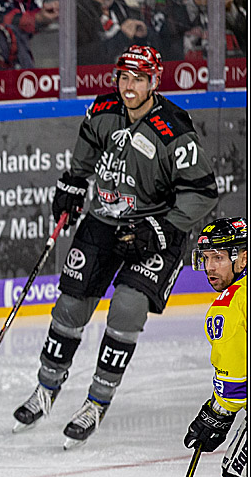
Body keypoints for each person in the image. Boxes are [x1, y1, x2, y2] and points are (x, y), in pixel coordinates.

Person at [12, 45, 219, 449]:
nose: (129, 87)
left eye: (138, 79)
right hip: (104, 221)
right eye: (124, 78)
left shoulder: (174, 129)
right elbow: (85, 156)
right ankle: (46, 388)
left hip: (155, 228)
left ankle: (96, 402)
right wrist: (72, 185)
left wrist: (160, 228)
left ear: (154, 82)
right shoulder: (103, 109)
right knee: (71, 305)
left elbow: (202, 192)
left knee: (127, 306)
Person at [185, 217, 247, 477]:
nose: (210, 267)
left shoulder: (228, 306)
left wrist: (215, 415)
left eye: (218, 258)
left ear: (242, 257)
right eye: (205, 258)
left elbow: (235, 387)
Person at [75, 0, 149, 66]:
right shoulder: (74, 9)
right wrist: (121, 38)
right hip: (95, 74)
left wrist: (143, 37)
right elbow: (81, 57)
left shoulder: (124, 2)